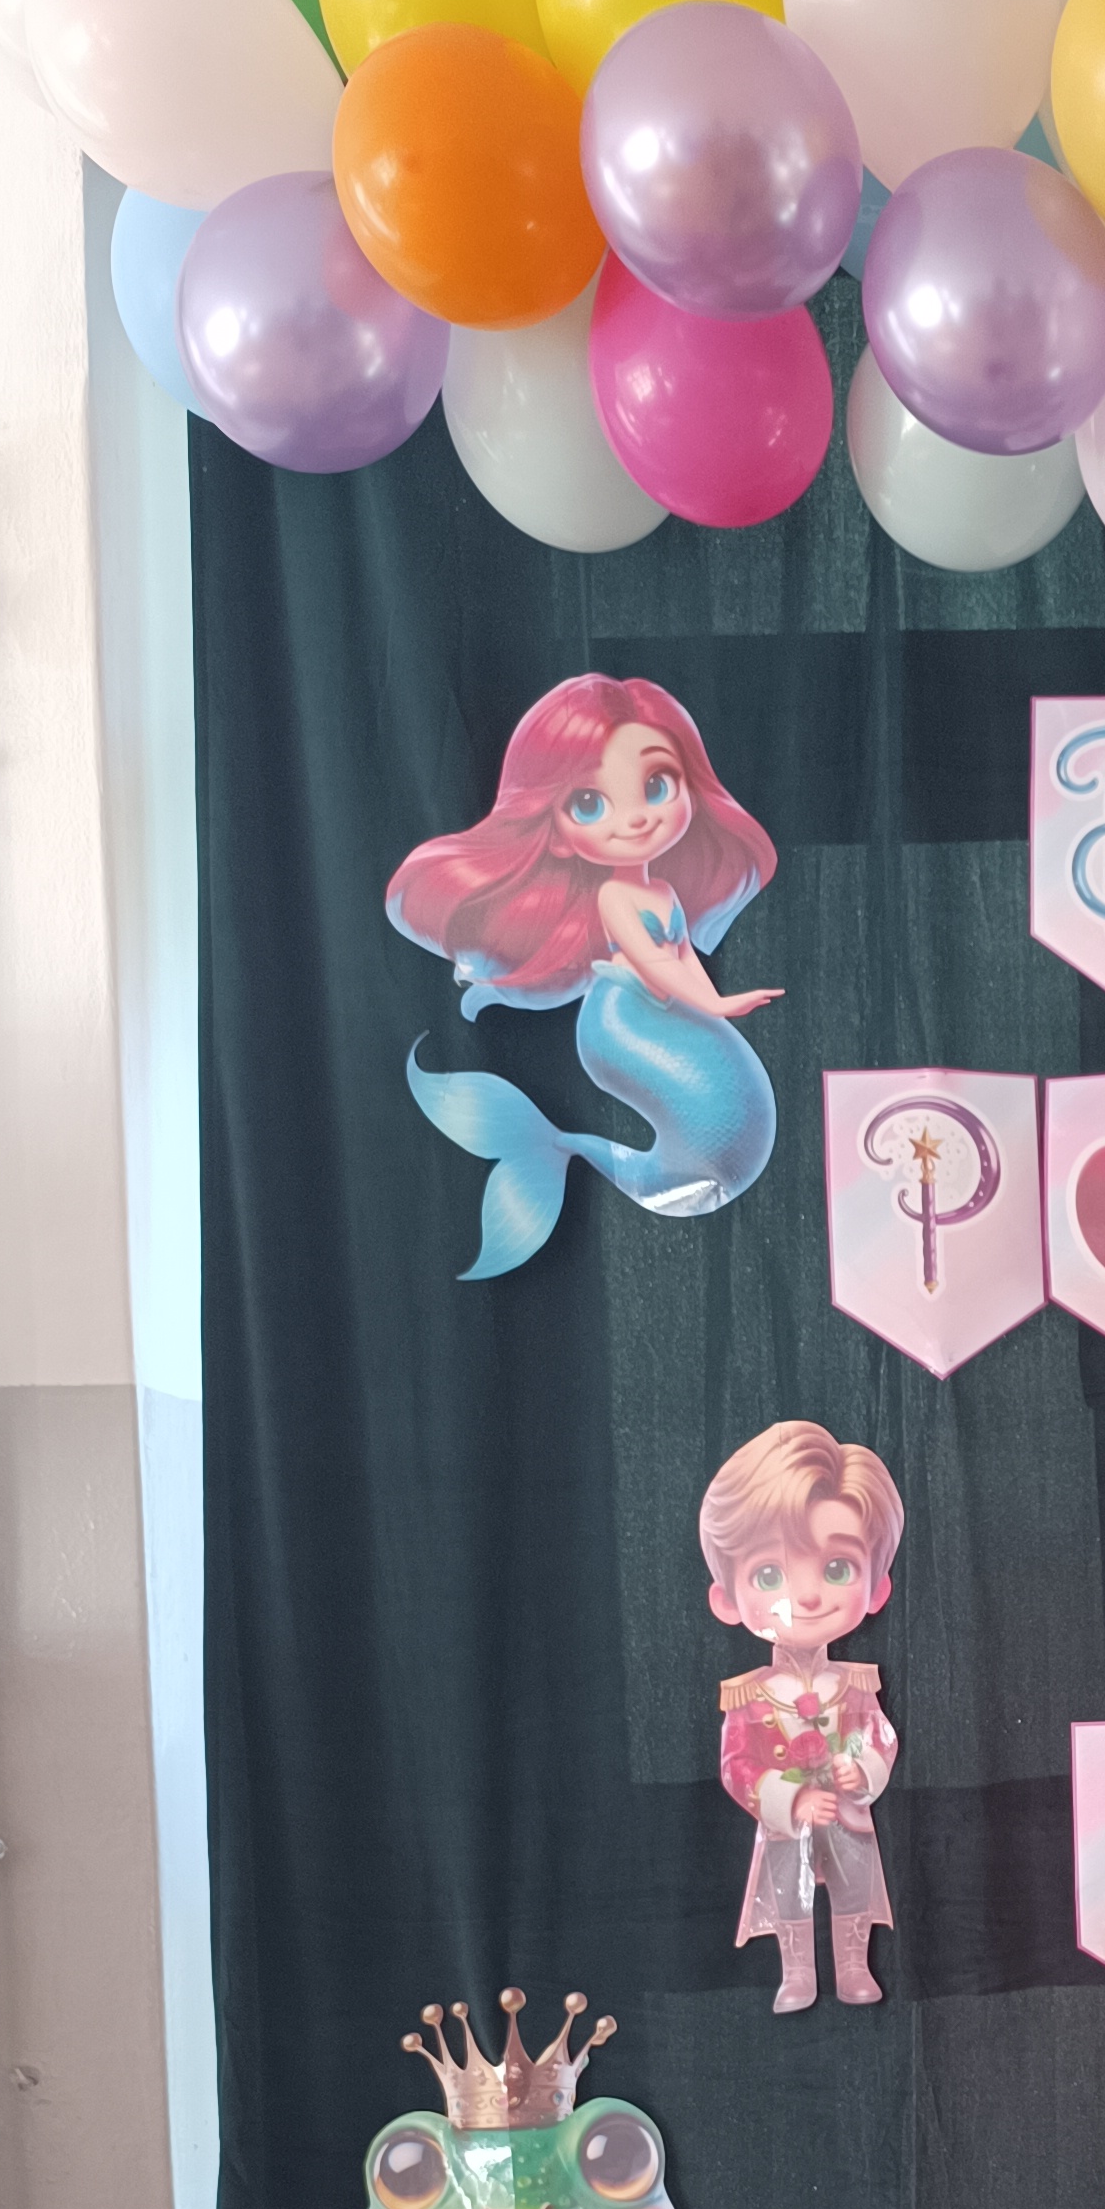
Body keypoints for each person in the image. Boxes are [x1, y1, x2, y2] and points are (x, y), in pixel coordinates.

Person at [386, 673, 782, 1281]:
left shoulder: (662, 890)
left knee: (712, 1139)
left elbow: (681, 959)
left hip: (657, 1009)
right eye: (590, 804)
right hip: (621, 1020)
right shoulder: (616, 900)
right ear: (560, 835)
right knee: (704, 1134)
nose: (635, 819)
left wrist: (715, 1002)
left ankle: (557, 1145)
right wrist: (719, 1007)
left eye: (657, 785)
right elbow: (655, 964)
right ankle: (559, 1148)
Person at [698, 1421, 903, 2017]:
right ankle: (796, 1973)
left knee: (856, 1887)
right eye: (770, 1574)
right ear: (726, 1600)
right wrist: (788, 1799)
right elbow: (737, 1767)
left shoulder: (856, 1684)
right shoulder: (748, 1696)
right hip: (787, 1822)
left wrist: (862, 1768)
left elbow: (878, 1736)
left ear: (877, 1589)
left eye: (837, 1568)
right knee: (787, 1892)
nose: (808, 1596)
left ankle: (853, 1965)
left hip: (849, 1815)